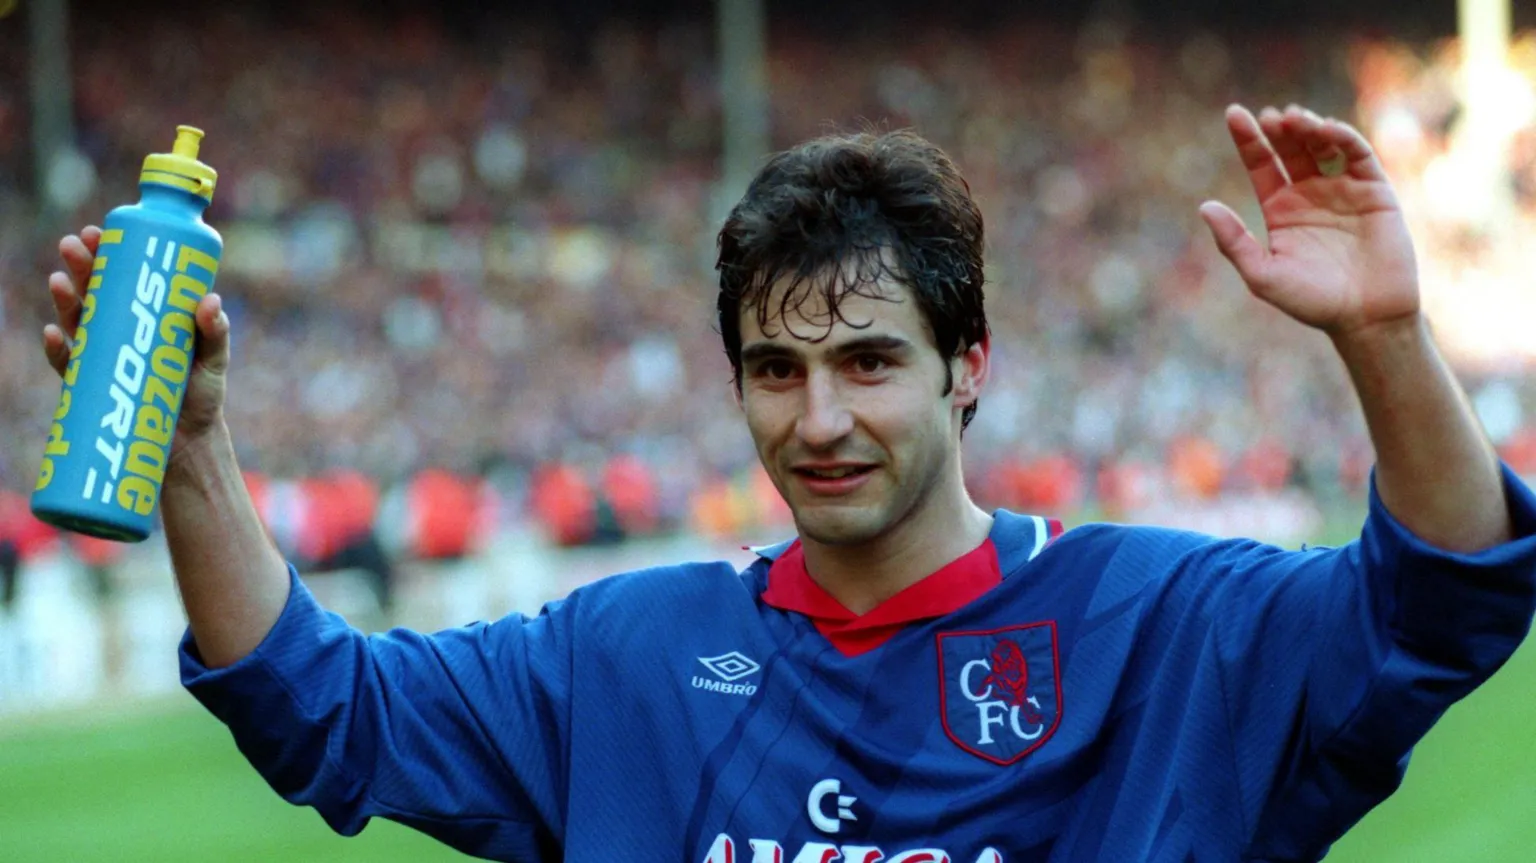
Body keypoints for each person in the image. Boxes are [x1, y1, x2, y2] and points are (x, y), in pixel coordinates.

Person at [38, 105, 1536, 862]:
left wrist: (1391, 338)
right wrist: (188, 457)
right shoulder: (618, 656)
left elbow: (1443, 605)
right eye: (774, 369)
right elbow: (321, 708)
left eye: (871, 362)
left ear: (970, 363)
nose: (818, 416)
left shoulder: (1158, 621)